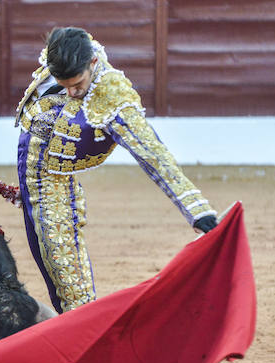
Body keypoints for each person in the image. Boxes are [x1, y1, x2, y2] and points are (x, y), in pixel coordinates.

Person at [14, 27, 217, 313]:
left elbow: (153, 154)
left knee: (71, 288)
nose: (71, 93)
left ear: (93, 64)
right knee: (52, 270)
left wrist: (198, 210)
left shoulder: (112, 94)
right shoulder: (60, 55)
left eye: (78, 84)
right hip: (31, 175)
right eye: (64, 84)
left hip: (54, 185)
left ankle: (83, 342)